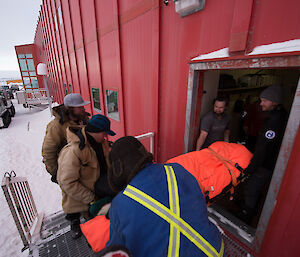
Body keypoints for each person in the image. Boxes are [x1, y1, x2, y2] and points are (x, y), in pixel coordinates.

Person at [106, 136, 224, 257]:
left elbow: (116, 251)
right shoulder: (177, 170)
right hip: (215, 249)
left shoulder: (120, 204)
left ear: (117, 170)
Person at [57, 114, 116, 239]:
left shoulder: (102, 143)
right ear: (94, 132)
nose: (106, 136)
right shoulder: (73, 151)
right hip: (85, 197)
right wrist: (91, 198)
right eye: (104, 133)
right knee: (94, 229)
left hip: (101, 189)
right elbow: (67, 182)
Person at [239, 85, 288, 223]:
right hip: (270, 161)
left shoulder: (274, 122)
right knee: (257, 188)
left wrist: (249, 169)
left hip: (265, 164)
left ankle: (246, 215)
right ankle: (250, 208)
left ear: (274, 101)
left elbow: (263, 150)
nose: (261, 104)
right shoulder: (281, 114)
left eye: (264, 100)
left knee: (251, 188)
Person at [42, 93, 90, 183]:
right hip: (69, 171)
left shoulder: (83, 119)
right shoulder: (56, 126)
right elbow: (48, 151)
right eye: (79, 107)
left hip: (86, 168)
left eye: (82, 106)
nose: (83, 109)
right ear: (69, 109)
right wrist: (56, 173)